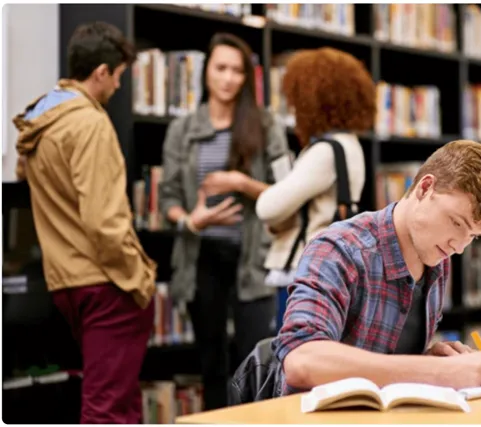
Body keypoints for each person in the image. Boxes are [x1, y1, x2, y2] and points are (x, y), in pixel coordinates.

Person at [272, 139, 481, 396]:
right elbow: (301, 361)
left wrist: (429, 358)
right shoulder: (338, 250)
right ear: (425, 188)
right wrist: (437, 373)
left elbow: (391, 359)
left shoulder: (437, 257)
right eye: (456, 222)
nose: (460, 247)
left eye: (473, 236)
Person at [13, 22, 157, 423]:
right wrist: (139, 279)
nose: (117, 87)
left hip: (66, 280)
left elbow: (31, 178)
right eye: (118, 77)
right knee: (108, 408)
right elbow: (105, 221)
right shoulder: (90, 124)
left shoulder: (43, 122)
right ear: (101, 73)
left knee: (113, 400)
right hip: (106, 283)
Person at [158, 32, 289, 410]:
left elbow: (289, 191)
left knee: (256, 362)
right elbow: (167, 196)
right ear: (205, 73)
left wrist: (242, 183)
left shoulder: (265, 125)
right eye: (221, 68)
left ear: (248, 77)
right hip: (202, 256)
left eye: (237, 70)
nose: (228, 78)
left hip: (253, 257)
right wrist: (191, 219)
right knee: (211, 363)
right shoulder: (182, 130)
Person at [255, 47, 376, 331]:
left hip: (306, 268)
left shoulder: (325, 151)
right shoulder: (351, 145)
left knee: (293, 352)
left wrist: (243, 184)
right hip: (332, 268)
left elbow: (267, 207)